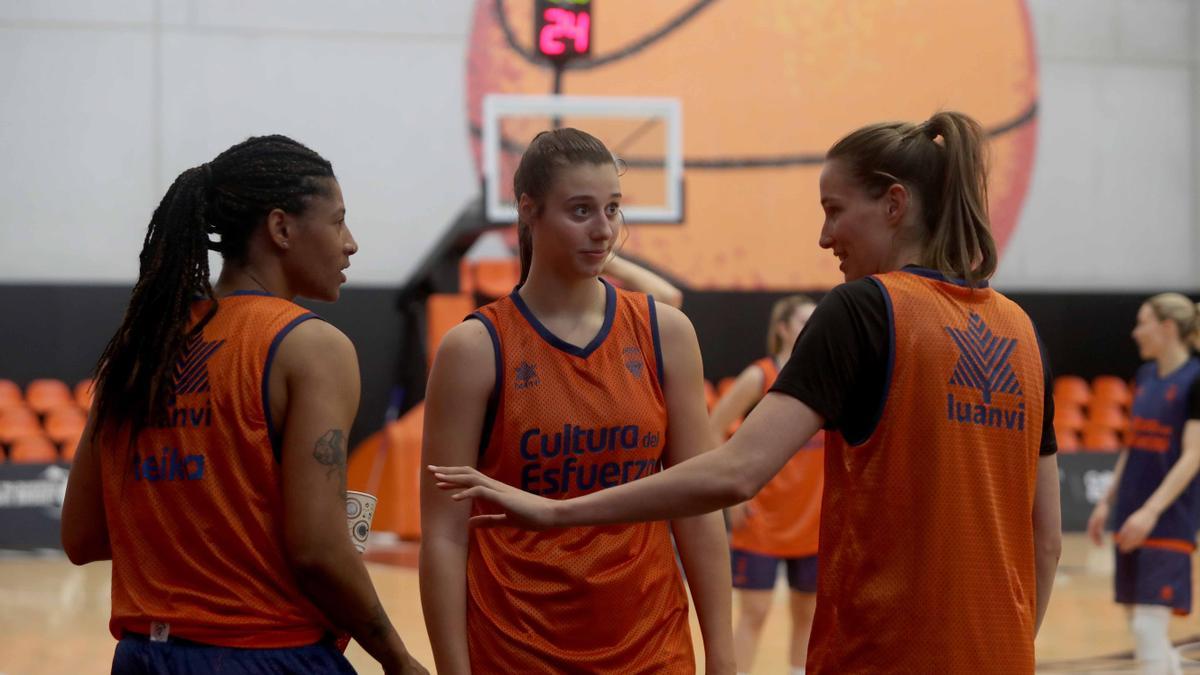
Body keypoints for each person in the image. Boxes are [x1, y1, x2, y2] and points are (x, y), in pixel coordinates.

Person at [431, 112, 1063, 674]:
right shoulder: (1021, 331)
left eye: (833, 210)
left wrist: (555, 510)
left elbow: (732, 473)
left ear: (895, 204)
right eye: (581, 209)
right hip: (1000, 653)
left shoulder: (866, 309)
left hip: (869, 650)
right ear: (528, 209)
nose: (822, 237)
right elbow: (1047, 538)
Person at [61, 135, 427, 674]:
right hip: (266, 653)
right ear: (281, 228)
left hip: (143, 656)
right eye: (338, 221)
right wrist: (398, 659)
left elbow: (81, 536)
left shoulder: (138, 352)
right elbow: (319, 551)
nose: (351, 243)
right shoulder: (311, 347)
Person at [419, 128, 734, 674]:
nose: (604, 229)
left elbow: (699, 510)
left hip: (652, 649)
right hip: (517, 650)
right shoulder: (475, 348)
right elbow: (444, 534)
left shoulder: (666, 332)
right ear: (528, 210)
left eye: (612, 208)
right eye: (581, 210)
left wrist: (724, 660)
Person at [707, 295, 822, 675]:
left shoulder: (828, 373)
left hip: (813, 517)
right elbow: (711, 431)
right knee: (754, 612)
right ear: (783, 328)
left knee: (807, 612)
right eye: (803, 320)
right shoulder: (762, 375)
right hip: (763, 517)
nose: (812, 327)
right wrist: (730, 496)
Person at [1087, 294, 1200, 675]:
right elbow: (1132, 445)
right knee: (1139, 624)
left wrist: (1151, 512)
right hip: (1131, 510)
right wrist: (1107, 501)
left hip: (1169, 517)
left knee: (1147, 626)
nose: (1135, 332)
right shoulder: (1147, 377)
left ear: (1167, 328)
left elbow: (1193, 455)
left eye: (1143, 322)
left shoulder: (1196, 380)